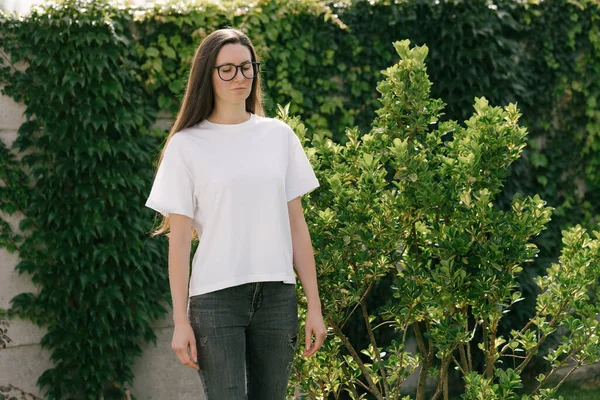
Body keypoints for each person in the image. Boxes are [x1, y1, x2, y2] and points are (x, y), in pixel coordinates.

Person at [145, 28, 327, 399]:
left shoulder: (279, 136)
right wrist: (180, 322)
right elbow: (178, 243)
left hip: (278, 297)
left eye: (247, 68)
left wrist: (315, 307)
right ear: (207, 75)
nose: (239, 77)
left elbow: (297, 226)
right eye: (226, 69)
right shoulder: (186, 145)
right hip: (215, 300)